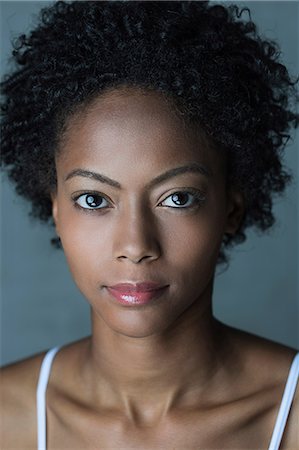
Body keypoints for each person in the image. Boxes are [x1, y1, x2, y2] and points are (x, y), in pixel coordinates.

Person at [0, 1, 298, 449]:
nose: (136, 244)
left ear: (231, 209)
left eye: (176, 198)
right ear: (56, 209)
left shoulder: (290, 416)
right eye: (94, 199)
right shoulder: (7, 417)